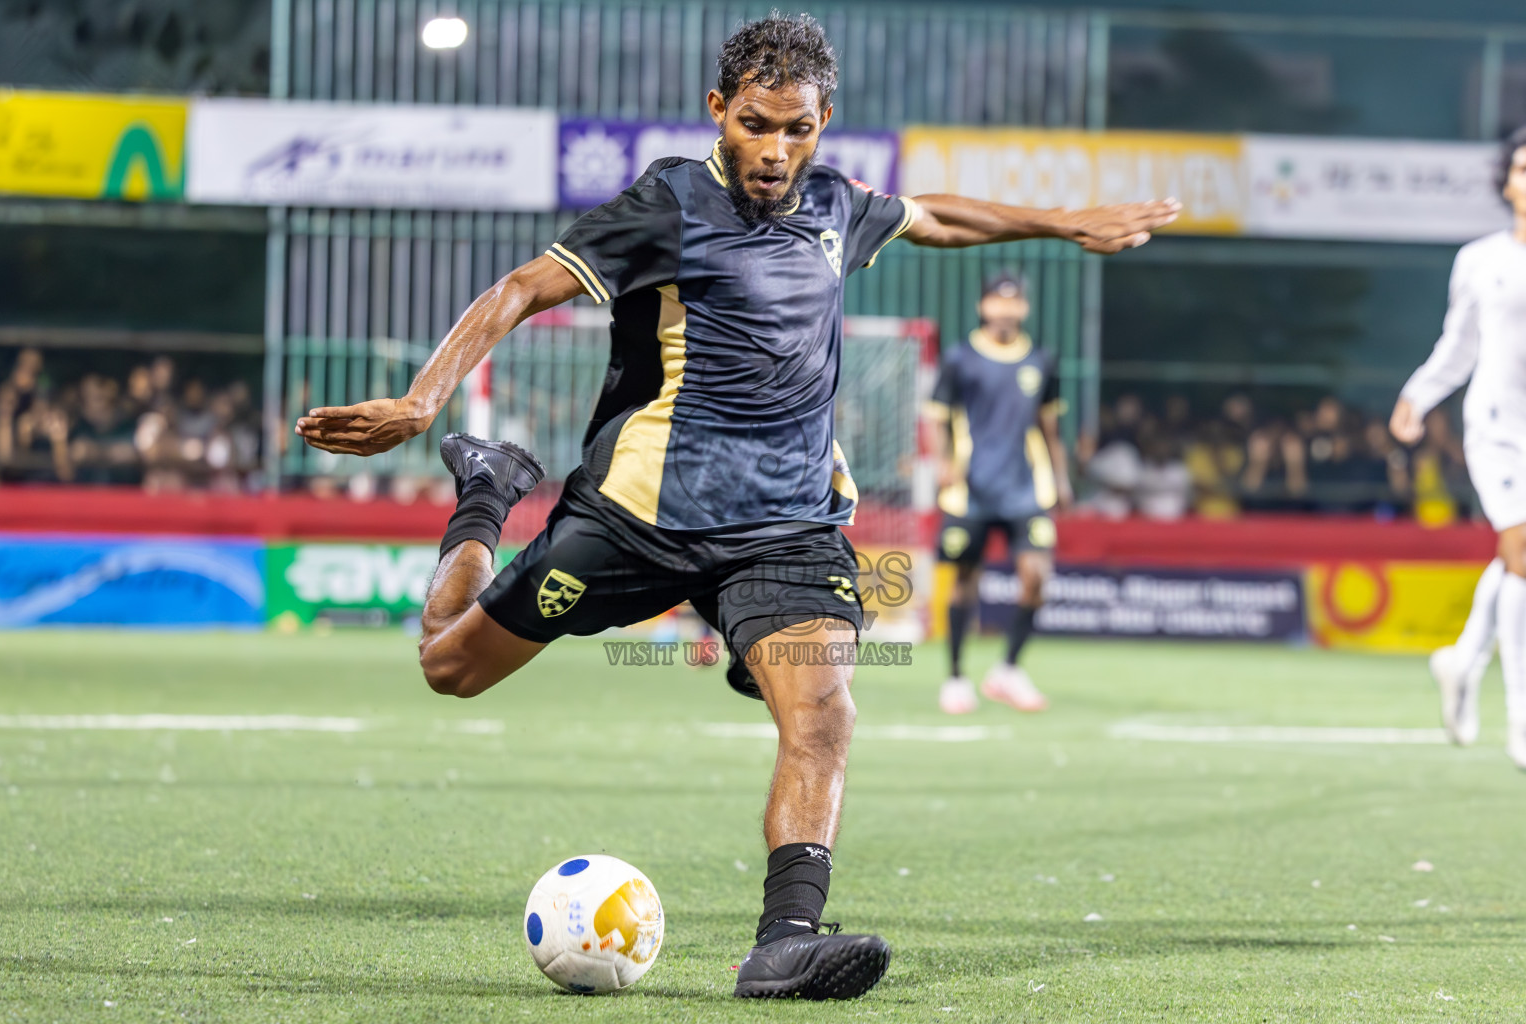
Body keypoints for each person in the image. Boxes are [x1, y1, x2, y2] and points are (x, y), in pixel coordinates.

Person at [295, 14, 1178, 1000]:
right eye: (757, 124)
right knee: (447, 663)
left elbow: (935, 215)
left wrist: (1069, 223)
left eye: (797, 129)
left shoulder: (841, 206)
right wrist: (423, 400)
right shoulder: (667, 201)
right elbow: (518, 289)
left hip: (787, 526)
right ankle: (489, 490)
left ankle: (785, 940)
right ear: (720, 110)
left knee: (825, 706)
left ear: (823, 120)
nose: (775, 150)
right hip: (636, 520)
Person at [1390, 125, 1526, 769]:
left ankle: (1463, 658)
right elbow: (1459, 344)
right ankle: (1521, 721)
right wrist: (1418, 395)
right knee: (1522, 551)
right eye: (1523, 169)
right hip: (1499, 429)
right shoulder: (1480, 259)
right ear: (1506, 181)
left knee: (1518, 557)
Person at [925, 273, 1072, 715]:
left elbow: (1050, 426)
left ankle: (1007, 669)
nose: (1005, 310)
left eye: (1014, 303)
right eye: (997, 301)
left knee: (1037, 577)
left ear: (1024, 308)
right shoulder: (961, 358)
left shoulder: (1042, 360)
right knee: (965, 583)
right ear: (983, 306)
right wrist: (943, 463)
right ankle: (954, 677)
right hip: (972, 488)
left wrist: (1062, 477)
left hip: (1026, 487)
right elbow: (936, 416)